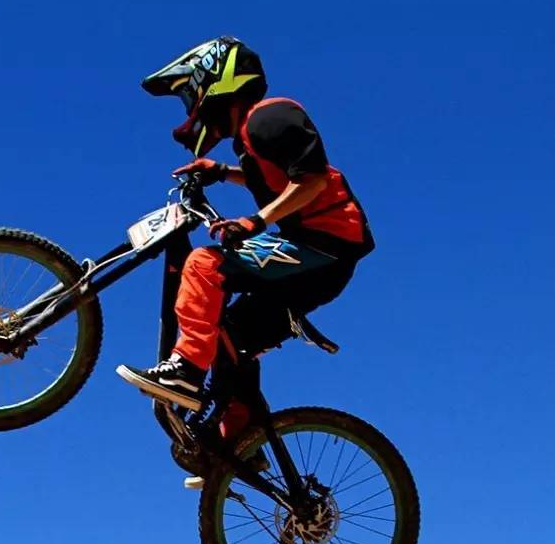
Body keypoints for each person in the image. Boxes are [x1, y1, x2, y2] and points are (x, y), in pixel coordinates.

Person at [116, 37, 375, 462]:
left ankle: (185, 373)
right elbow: (269, 175)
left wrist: (255, 221)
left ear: (215, 82)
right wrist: (221, 172)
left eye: (189, 93)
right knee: (230, 336)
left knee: (204, 265)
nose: (189, 107)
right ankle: (242, 443)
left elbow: (310, 179)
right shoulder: (250, 140)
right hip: (318, 255)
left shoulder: (269, 117)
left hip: (324, 245)